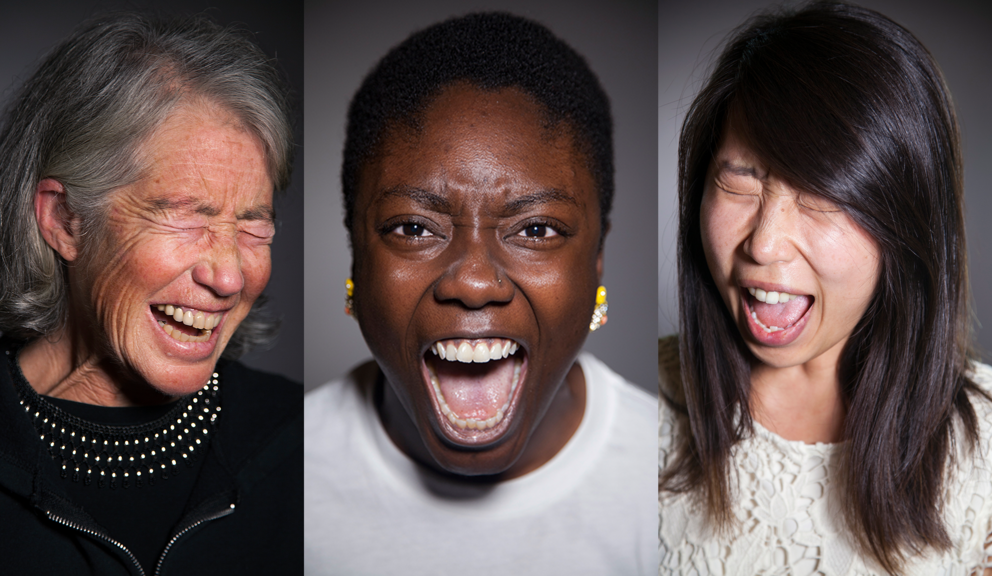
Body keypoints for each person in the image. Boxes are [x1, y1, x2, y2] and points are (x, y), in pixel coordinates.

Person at [304, 12, 657, 575]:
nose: (471, 282)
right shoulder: (280, 474)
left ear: (597, 262)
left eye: (537, 229)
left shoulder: (665, 478)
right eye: (414, 228)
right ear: (355, 257)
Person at [658, 2, 992, 574]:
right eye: (740, 183)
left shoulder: (984, 452)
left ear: (904, 222)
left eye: (824, 196)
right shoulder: (638, 409)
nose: (764, 244)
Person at [0, 13, 302, 575]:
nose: (231, 277)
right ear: (65, 222)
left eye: (253, 224)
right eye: (187, 218)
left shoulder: (301, 441)